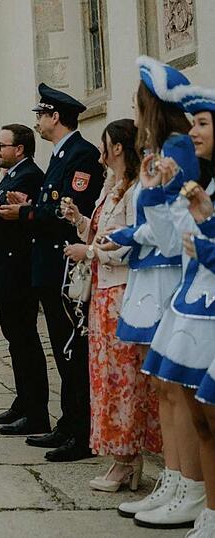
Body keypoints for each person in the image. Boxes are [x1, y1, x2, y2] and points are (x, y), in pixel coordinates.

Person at [107, 57, 204, 529]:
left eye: (137, 102)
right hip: (155, 273)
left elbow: (170, 235)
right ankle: (174, 477)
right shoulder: (160, 150)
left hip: (170, 275)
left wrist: (130, 232)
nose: (133, 110)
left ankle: (190, 484)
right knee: (164, 386)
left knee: (176, 387)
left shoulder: (176, 147)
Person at [0, 83, 105, 462]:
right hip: (48, 267)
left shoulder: (81, 155)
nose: (38, 122)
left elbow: (69, 211)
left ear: (54, 116)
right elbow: (52, 204)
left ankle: (81, 431)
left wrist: (26, 212)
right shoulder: (61, 155)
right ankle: (67, 423)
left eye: (40, 115)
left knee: (72, 350)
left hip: (65, 267)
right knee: (62, 350)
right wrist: (30, 204)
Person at [62, 119, 161, 492]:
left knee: (123, 379)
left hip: (121, 293)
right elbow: (103, 233)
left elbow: (131, 244)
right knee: (106, 378)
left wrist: (88, 252)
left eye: (104, 143)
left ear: (116, 147)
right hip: (103, 293)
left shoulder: (134, 192)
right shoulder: (113, 187)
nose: (100, 150)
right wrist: (79, 221)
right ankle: (123, 457)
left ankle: (126, 458)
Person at [0, 124, 50, 435]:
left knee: (25, 342)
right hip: (2, 269)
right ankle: (23, 403)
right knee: (16, 342)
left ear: (19, 149)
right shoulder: (11, 175)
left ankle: (36, 412)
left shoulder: (28, 175)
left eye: (2, 145)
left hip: (16, 272)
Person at [177, 83, 215, 536]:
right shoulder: (206, 182)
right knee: (203, 417)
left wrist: (205, 235)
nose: (193, 132)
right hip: (198, 304)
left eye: (202, 123)